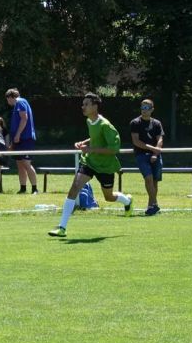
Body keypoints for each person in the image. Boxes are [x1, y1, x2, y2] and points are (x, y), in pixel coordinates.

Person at [47, 94, 132, 237]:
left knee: (109, 197)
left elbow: (114, 149)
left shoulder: (105, 125)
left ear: (95, 106)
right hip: (89, 162)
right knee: (75, 187)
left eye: (86, 104)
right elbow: (94, 138)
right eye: (83, 104)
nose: (83, 107)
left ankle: (127, 200)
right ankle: (62, 227)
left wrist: (90, 149)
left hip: (105, 166)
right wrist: (84, 143)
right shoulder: (89, 121)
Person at [129, 98, 165, 215]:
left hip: (155, 155)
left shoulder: (157, 123)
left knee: (154, 181)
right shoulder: (135, 123)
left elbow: (160, 139)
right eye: (142, 108)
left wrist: (155, 153)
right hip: (141, 155)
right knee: (148, 178)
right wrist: (153, 149)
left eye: (147, 108)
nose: (144, 110)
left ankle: (151, 207)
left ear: (152, 109)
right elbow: (136, 141)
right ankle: (155, 204)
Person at [5, 88, 38, 193]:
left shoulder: (20, 102)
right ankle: (23, 188)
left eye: (7, 99)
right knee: (20, 164)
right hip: (18, 140)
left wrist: (18, 134)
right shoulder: (18, 104)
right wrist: (13, 143)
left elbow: (24, 118)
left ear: (10, 97)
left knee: (26, 163)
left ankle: (35, 189)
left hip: (25, 139)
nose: (7, 102)